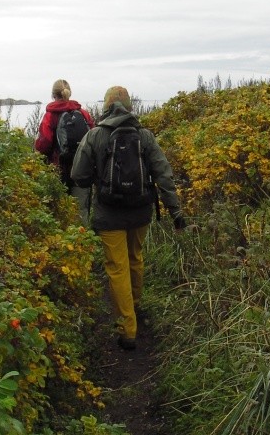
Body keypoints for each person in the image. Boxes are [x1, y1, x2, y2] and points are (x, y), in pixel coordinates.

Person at [71, 86, 186, 350]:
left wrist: (98, 181)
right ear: (129, 105)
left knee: (117, 267)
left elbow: (79, 175)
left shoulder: (95, 135)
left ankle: (127, 329)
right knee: (135, 257)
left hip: (109, 214)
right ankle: (134, 306)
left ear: (107, 105)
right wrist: (176, 212)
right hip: (141, 211)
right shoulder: (145, 136)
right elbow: (163, 175)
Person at [35, 79, 94, 223]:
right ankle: (84, 243)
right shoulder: (84, 114)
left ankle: (61, 243)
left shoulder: (50, 116)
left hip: (58, 171)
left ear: (53, 95)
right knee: (80, 211)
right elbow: (92, 139)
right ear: (69, 93)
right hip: (82, 170)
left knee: (57, 212)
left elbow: (43, 145)